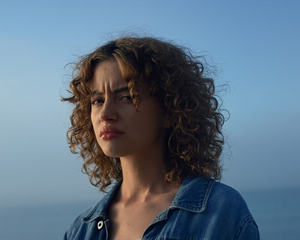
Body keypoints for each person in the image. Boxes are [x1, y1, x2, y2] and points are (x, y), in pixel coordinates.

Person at [62, 36, 260, 240]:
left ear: (169, 110)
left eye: (127, 97)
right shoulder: (81, 230)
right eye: (97, 100)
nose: (105, 114)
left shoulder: (221, 213)